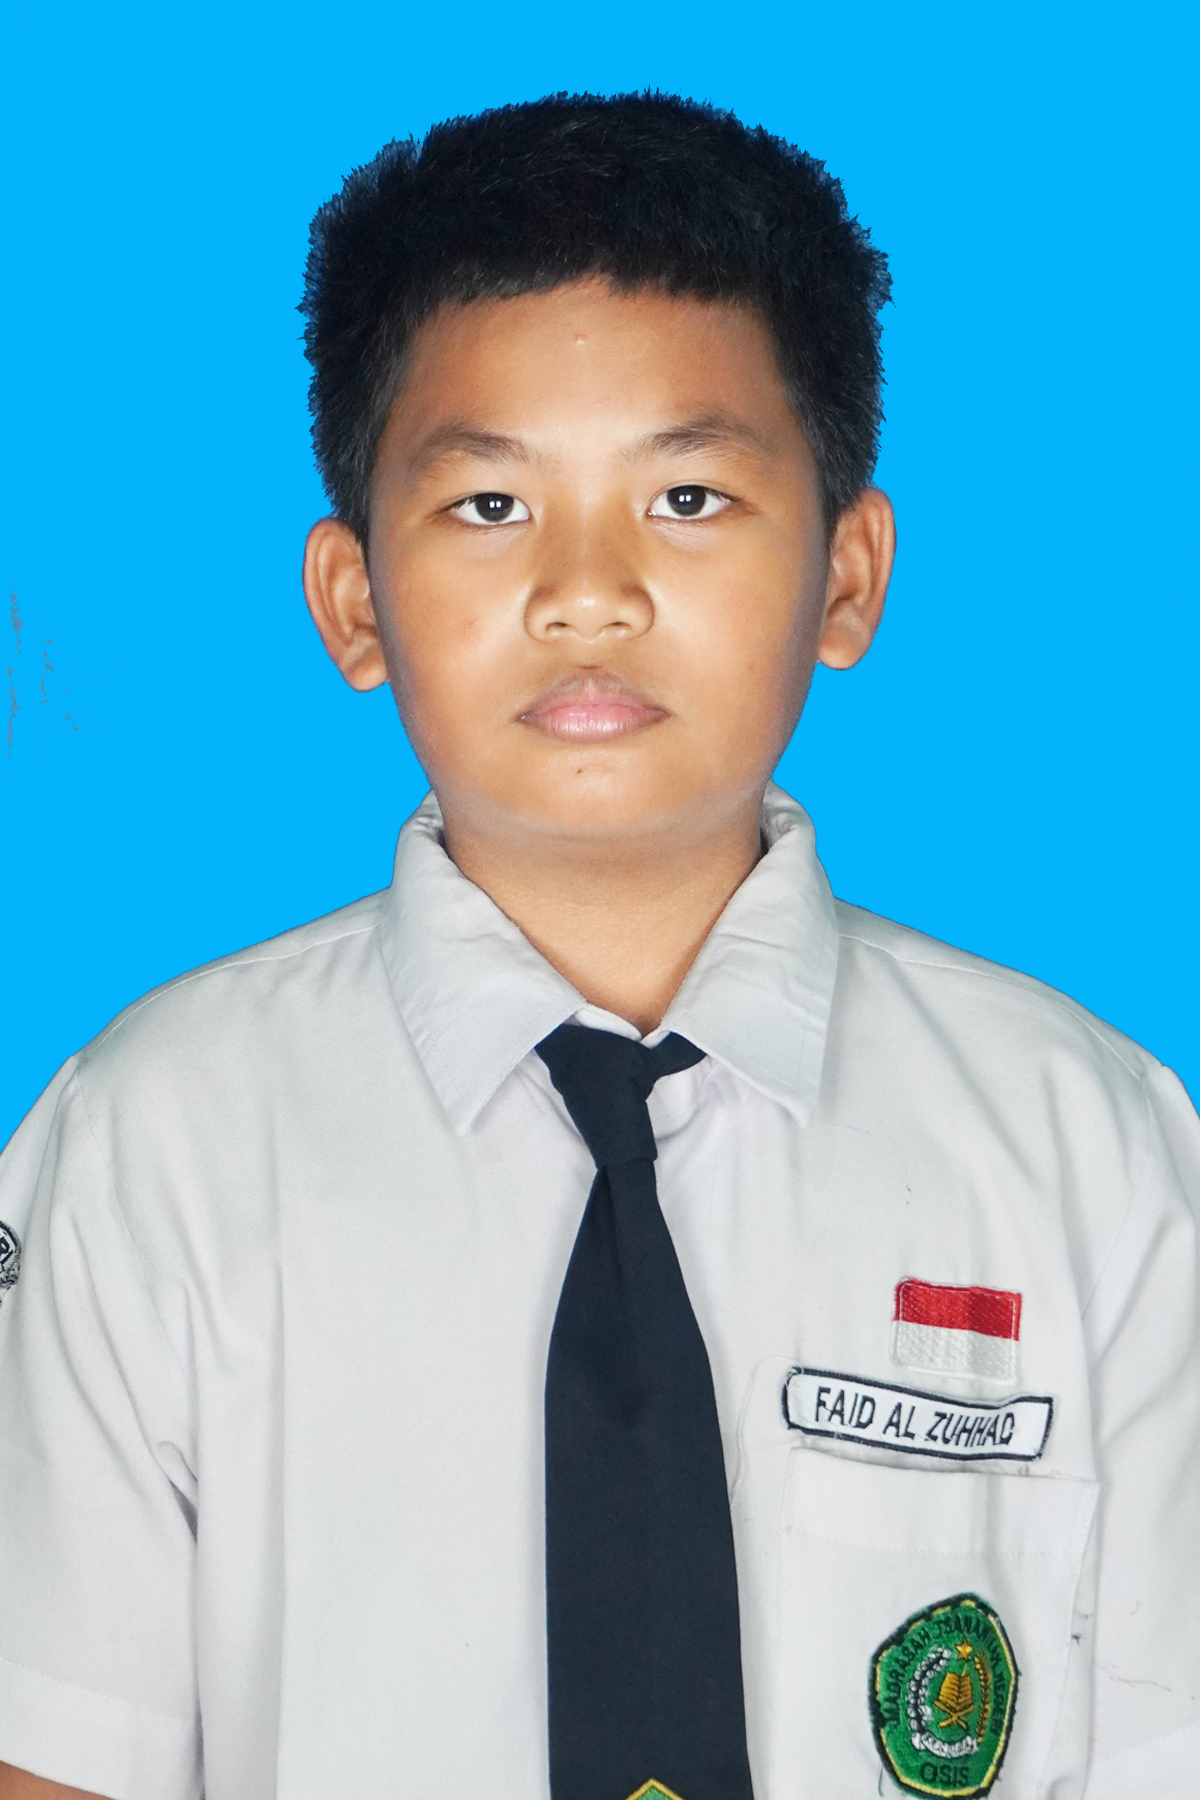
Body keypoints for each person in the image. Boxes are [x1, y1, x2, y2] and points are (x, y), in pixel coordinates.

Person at [0, 92, 1195, 1800]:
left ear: (848, 577)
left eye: (688, 495)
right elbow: (54, 1748)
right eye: (490, 505)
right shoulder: (151, 1145)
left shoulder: (1096, 1150)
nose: (588, 592)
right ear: (353, 601)